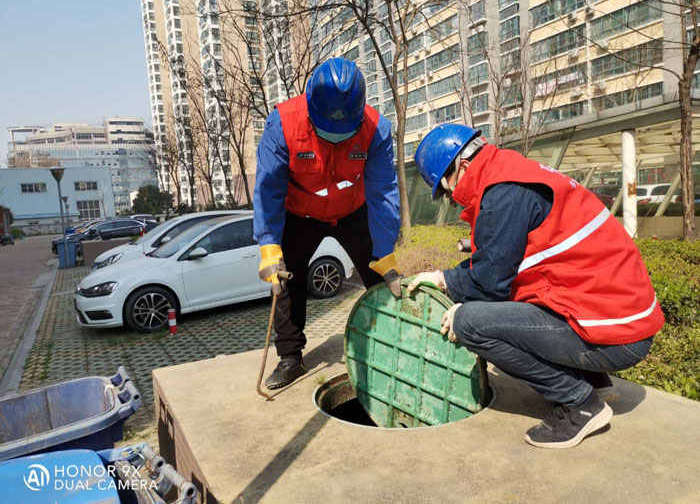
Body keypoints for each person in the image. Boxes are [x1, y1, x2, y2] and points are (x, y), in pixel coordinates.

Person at [407, 124, 664, 449]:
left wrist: (455, 297)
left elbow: (489, 285)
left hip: (614, 336)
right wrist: (445, 278)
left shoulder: (502, 193)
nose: (452, 199)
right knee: (516, 302)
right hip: (621, 319)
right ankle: (593, 380)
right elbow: (504, 260)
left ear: (464, 168)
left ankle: (579, 404)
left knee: (470, 322)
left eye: (447, 190)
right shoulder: (513, 174)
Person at [254, 58, 401, 389]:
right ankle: (290, 358)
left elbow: (382, 192)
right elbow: (268, 188)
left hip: (353, 210)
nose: (335, 140)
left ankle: (394, 340)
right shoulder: (283, 124)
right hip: (300, 213)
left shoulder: (376, 129)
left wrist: (386, 251)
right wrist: (269, 244)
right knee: (287, 279)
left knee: (380, 275)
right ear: (310, 108)